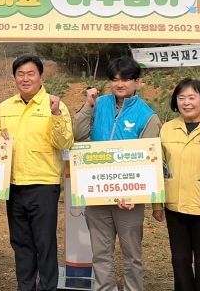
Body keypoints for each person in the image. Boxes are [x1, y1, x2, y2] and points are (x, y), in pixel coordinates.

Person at [73, 56, 161, 291]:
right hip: (98, 193)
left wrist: (135, 194)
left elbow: (149, 160)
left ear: (136, 81)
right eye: (114, 79)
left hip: (129, 199)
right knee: (101, 254)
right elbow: (78, 133)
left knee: (132, 255)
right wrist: (88, 105)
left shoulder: (147, 116)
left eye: (125, 79)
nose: (119, 84)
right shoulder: (99, 104)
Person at [0, 55, 73, 291]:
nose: (25, 79)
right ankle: (25, 286)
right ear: (14, 77)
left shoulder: (55, 105)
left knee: (44, 243)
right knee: (21, 243)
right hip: (14, 184)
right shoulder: (5, 107)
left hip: (43, 185)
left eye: (30, 74)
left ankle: (48, 287)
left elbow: (65, 143)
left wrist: (55, 115)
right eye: (20, 74)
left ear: (40, 76)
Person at [152, 78, 200, 291]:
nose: (186, 102)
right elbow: (159, 167)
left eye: (192, 97)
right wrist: (157, 204)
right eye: (181, 97)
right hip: (175, 206)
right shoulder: (167, 128)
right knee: (180, 262)